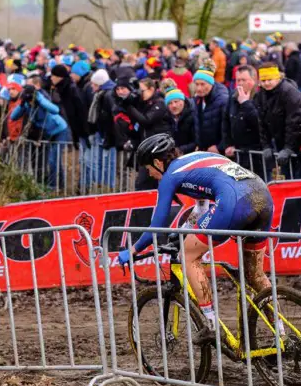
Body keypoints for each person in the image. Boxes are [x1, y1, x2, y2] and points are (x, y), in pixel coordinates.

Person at [117, 134, 276, 342]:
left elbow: (157, 226)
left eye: (148, 170)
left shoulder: (170, 176)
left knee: (189, 256)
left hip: (234, 201)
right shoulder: (194, 159)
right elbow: (202, 207)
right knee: (254, 274)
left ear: (157, 162)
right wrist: (183, 230)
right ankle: (281, 333)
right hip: (262, 196)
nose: (151, 175)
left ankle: (210, 325)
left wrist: (133, 250)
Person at [253, 62, 301, 179]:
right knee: (286, 175)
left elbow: (294, 121)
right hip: (281, 141)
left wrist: (289, 148)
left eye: (270, 80)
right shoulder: (261, 95)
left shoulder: (289, 92)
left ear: (277, 78)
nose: (267, 83)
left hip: (300, 143)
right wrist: (266, 146)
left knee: (300, 177)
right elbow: (262, 123)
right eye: (263, 81)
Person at [11, 84, 71, 190]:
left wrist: (40, 99)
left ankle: (53, 186)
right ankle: (60, 185)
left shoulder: (42, 100)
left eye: (31, 99)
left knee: (53, 159)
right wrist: (21, 104)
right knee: (53, 159)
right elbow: (13, 117)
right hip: (48, 133)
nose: (30, 102)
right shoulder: (26, 105)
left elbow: (55, 110)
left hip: (59, 130)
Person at [125, 78, 174, 190]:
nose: (139, 94)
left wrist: (130, 108)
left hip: (158, 150)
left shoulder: (159, 103)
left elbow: (146, 121)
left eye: (142, 91)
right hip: (147, 150)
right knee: (143, 184)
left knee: (149, 183)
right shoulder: (143, 103)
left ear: (151, 89)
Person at [223, 65, 262, 176]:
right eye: (238, 80)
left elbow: (258, 123)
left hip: (256, 155)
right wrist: (228, 144)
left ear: (253, 80)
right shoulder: (232, 97)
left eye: (243, 80)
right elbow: (226, 122)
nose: (239, 83)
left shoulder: (260, 97)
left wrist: (245, 103)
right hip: (237, 154)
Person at [192, 66, 230, 155]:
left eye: (202, 84)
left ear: (211, 83)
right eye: (196, 84)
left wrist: (220, 147)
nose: (199, 88)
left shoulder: (222, 100)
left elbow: (228, 127)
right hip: (205, 151)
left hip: (219, 152)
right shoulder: (198, 99)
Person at [164, 84, 199, 154]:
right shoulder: (167, 118)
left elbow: (197, 141)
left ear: (182, 101)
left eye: (176, 101)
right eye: (170, 103)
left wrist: (180, 149)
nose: (173, 105)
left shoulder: (193, 116)